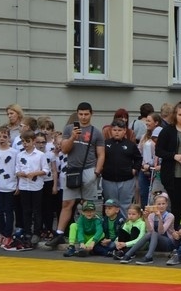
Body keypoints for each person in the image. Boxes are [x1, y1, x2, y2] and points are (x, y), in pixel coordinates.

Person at [46, 102, 105, 248]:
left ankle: (89, 235)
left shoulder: (96, 132)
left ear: (91, 114)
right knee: (67, 203)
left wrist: (96, 173)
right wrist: (72, 137)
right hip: (72, 169)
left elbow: (101, 154)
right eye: (81, 114)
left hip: (89, 170)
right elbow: (65, 150)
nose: (83, 117)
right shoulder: (69, 129)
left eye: (86, 114)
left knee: (88, 204)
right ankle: (59, 234)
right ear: (77, 114)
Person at [119, 193, 177, 264]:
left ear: (167, 204)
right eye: (159, 204)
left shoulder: (170, 216)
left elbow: (161, 232)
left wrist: (160, 218)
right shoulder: (151, 216)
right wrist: (146, 218)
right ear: (154, 205)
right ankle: (128, 254)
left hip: (168, 242)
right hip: (154, 242)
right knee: (150, 234)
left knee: (155, 234)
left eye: (163, 204)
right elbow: (150, 231)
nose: (161, 206)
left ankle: (149, 257)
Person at [15, 130, 50, 247]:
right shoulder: (20, 155)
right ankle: (27, 231)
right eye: (23, 142)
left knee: (36, 210)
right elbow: (16, 169)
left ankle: (37, 232)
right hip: (24, 186)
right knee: (26, 210)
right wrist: (20, 173)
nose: (25, 144)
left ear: (33, 141)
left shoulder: (40, 155)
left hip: (36, 187)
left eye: (27, 141)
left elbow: (46, 170)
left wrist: (35, 173)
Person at [102, 119, 143, 215]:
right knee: (110, 204)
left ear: (124, 131)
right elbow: (99, 157)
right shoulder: (105, 144)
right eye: (115, 130)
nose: (117, 133)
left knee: (125, 205)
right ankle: (110, 227)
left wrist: (134, 170)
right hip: (109, 180)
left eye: (119, 130)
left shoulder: (130, 145)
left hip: (127, 180)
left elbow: (138, 159)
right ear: (111, 130)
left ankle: (124, 227)